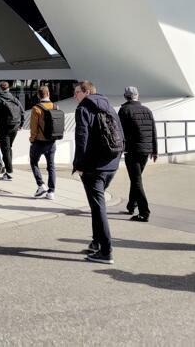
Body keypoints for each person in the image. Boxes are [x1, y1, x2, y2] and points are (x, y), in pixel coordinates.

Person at [73, 80, 123, 265]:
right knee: (97, 205)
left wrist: (79, 164)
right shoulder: (109, 106)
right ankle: (96, 243)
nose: (74, 96)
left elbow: (81, 137)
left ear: (86, 92)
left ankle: (106, 251)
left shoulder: (84, 108)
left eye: (77, 92)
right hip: (112, 163)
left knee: (98, 207)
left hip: (94, 167)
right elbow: (120, 133)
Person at [118, 86, 157, 222]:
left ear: (125, 97)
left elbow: (120, 132)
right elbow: (153, 130)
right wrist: (155, 150)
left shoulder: (124, 110)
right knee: (136, 178)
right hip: (146, 150)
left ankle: (144, 212)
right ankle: (131, 205)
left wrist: (120, 149)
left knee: (136, 180)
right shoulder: (147, 110)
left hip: (132, 150)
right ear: (137, 95)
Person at [28, 84, 58, 199]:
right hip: (52, 142)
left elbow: (33, 128)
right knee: (51, 166)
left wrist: (32, 140)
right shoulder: (56, 107)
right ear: (48, 94)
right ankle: (51, 192)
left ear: (38, 95)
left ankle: (41, 185)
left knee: (34, 162)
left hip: (39, 142)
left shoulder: (36, 109)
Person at [0, 81, 25, 181]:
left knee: (5, 149)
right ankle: (8, 169)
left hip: (4, 128)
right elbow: (22, 111)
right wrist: (21, 125)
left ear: (0, 88)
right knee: (9, 147)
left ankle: (9, 172)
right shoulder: (14, 99)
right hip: (15, 126)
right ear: (8, 88)